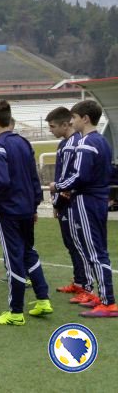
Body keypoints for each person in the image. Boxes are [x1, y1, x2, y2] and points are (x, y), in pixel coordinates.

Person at [0, 100, 52, 325]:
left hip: (8, 211)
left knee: (14, 259)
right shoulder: (23, 142)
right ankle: (43, 299)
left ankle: (16, 313)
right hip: (26, 208)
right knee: (29, 252)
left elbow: (0, 181)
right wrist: (35, 204)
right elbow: (34, 177)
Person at [53, 100, 117, 318]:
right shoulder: (101, 141)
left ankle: (108, 302)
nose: (71, 122)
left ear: (85, 118)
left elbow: (80, 176)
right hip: (97, 200)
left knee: (95, 252)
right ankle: (102, 296)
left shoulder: (86, 142)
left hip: (86, 201)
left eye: (74, 117)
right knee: (96, 249)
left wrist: (58, 186)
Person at [45, 107, 87, 296]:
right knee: (71, 243)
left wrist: (58, 200)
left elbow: (68, 178)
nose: (50, 130)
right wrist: (56, 203)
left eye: (52, 126)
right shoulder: (64, 143)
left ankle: (84, 285)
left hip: (71, 202)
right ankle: (79, 282)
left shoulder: (74, 144)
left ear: (64, 124)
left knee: (77, 244)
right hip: (63, 201)